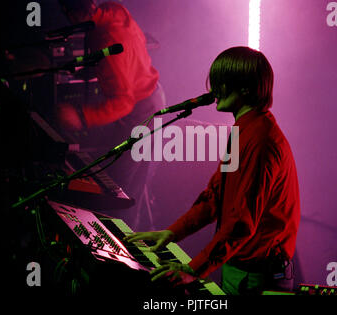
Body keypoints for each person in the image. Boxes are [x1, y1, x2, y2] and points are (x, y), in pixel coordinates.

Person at [124, 46, 300, 295]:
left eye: (220, 82)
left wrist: (194, 269)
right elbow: (215, 197)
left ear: (246, 88)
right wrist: (173, 232)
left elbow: (241, 223)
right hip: (242, 268)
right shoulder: (246, 130)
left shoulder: (260, 140)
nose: (213, 90)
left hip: (258, 276)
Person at [57, 0, 166, 230]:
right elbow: (137, 43)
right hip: (150, 98)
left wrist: (81, 117)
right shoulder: (114, 10)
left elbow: (123, 102)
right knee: (124, 179)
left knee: (121, 190)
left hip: (141, 109)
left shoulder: (105, 38)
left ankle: (121, 251)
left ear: (71, 12)